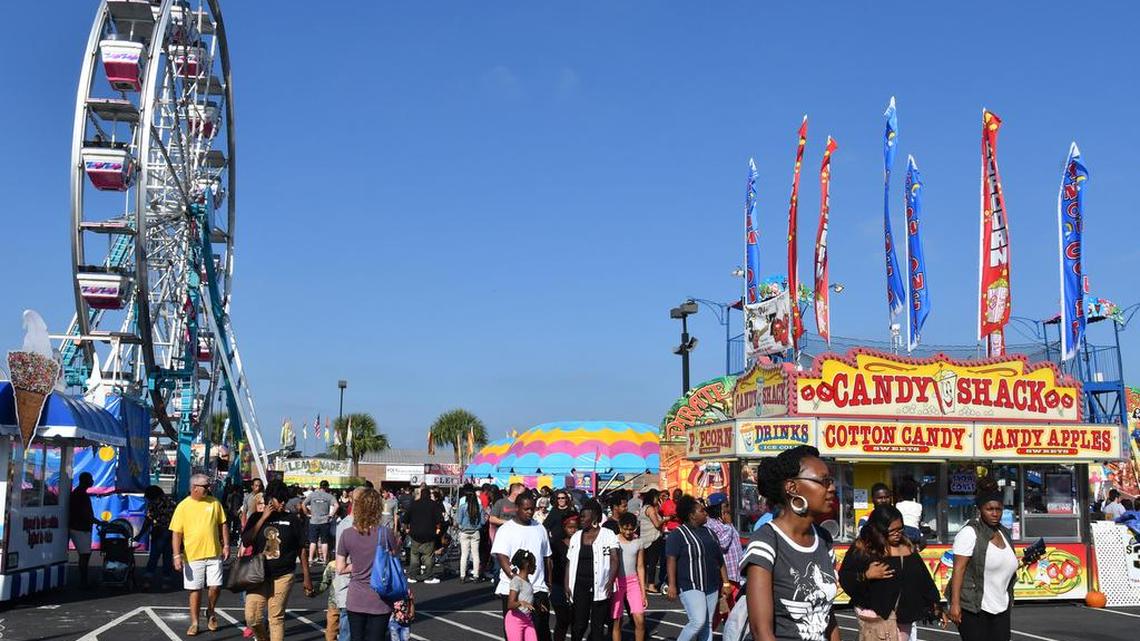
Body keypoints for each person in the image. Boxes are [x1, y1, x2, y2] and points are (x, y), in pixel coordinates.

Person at [742, 445, 839, 641]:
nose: (832, 488)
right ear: (792, 487)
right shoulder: (766, 542)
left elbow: (827, 616)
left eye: (831, 480)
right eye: (824, 481)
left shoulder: (823, 539)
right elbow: (761, 632)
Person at [839, 504, 945, 641]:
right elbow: (846, 578)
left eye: (900, 529)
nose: (898, 534)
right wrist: (866, 575)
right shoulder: (863, 549)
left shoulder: (907, 547)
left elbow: (924, 579)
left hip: (904, 618)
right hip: (877, 619)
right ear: (879, 529)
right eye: (892, 530)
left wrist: (936, 605)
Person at [948, 479, 1019, 641]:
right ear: (980, 510)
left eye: (998, 509)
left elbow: (1005, 564)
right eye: (990, 509)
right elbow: (959, 569)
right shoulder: (970, 533)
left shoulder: (1004, 532)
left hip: (1001, 605)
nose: (995, 513)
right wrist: (955, 604)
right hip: (974, 606)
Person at [243, 479, 313, 641]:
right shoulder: (256, 517)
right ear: (270, 499)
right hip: (258, 574)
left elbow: (301, 548)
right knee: (252, 617)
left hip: (283, 575)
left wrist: (307, 576)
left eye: (285, 500)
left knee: (276, 618)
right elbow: (247, 541)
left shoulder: (292, 520)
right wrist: (263, 518)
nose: (282, 503)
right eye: (279, 499)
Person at [171, 473, 231, 637]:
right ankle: (195, 622)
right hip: (192, 555)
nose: (208, 488)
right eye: (205, 486)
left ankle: (210, 610)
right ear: (195, 488)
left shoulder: (214, 503)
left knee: (216, 586)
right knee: (195, 590)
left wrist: (226, 545)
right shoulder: (183, 506)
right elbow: (177, 533)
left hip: (213, 553)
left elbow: (223, 524)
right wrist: (177, 555)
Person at [337, 487, 400, 641]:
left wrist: (357, 565)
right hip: (380, 598)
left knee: (356, 637)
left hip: (356, 597)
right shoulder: (385, 533)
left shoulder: (347, 534)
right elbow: (393, 560)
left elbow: (340, 568)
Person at [665, 495, 730, 641]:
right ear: (692, 515)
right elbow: (671, 560)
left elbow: (719, 559)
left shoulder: (709, 532)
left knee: (707, 624)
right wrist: (672, 585)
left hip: (712, 585)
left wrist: (725, 583)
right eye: (701, 511)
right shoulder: (678, 535)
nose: (705, 513)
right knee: (697, 622)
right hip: (691, 584)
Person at [492, 494, 554, 641]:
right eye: (526, 509)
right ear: (517, 508)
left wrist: (549, 583)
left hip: (538, 588)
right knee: (515, 633)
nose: (529, 512)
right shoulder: (506, 529)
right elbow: (502, 558)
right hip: (513, 590)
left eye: (532, 509)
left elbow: (547, 557)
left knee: (540, 631)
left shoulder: (540, 528)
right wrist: (518, 582)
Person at [565, 500, 619, 641]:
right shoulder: (576, 536)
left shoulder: (608, 535)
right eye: (580, 517)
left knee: (598, 626)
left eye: (584, 517)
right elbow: (569, 562)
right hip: (579, 585)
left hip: (600, 585)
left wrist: (610, 581)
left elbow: (614, 559)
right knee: (579, 625)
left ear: (594, 518)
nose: (580, 519)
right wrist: (567, 584)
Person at [705, 495, 743, 632]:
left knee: (731, 614)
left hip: (735, 574)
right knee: (719, 613)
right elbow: (723, 544)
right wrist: (728, 525)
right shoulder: (711, 524)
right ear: (718, 508)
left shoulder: (724, 523)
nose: (728, 509)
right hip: (726, 577)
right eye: (725, 506)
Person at [611, 512, 647, 641]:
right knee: (617, 620)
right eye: (625, 529)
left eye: (631, 529)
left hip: (633, 582)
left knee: (640, 620)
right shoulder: (613, 540)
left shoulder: (638, 542)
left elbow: (640, 566)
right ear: (619, 526)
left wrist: (643, 592)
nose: (628, 532)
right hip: (616, 582)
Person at [140, 484, 177, 590]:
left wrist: (140, 535)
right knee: (167, 557)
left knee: (154, 556)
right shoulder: (171, 502)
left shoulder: (154, 504)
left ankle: (148, 579)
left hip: (159, 532)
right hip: (172, 532)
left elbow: (148, 520)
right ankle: (166, 580)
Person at [405, 486, 445, 583]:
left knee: (414, 555)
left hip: (415, 533)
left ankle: (413, 576)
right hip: (429, 533)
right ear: (429, 495)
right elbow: (440, 519)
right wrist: (438, 529)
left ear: (421, 494)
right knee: (428, 556)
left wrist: (407, 528)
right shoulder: (434, 505)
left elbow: (406, 518)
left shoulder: (414, 504)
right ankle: (428, 576)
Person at [551, 513, 580, 641]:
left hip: (577, 586)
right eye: (570, 527)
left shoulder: (583, 545)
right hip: (558, 585)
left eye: (575, 527)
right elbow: (550, 564)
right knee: (562, 619)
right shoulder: (557, 544)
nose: (573, 530)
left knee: (576, 621)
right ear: (564, 527)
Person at [68, 472, 97, 587]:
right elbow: (85, 514)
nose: (92, 481)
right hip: (80, 528)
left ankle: (84, 580)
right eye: (91, 479)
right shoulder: (80, 494)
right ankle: (83, 581)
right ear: (85, 481)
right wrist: (98, 522)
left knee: (85, 555)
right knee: (85, 555)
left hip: (79, 527)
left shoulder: (78, 493)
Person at [507, 549, 541, 641]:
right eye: (534, 564)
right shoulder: (516, 581)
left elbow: (527, 597)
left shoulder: (527, 581)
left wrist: (537, 604)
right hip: (515, 620)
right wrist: (521, 603)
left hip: (527, 619)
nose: (535, 566)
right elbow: (510, 604)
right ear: (527, 565)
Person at [637, 489, 665, 594]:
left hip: (643, 538)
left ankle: (643, 584)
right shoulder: (651, 509)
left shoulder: (643, 507)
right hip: (653, 537)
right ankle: (651, 585)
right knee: (653, 562)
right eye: (657, 498)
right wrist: (665, 519)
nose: (658, 500)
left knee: (643, 563)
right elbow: (657, 524)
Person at [458, 484, 487, 582]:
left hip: (464, 532)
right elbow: (483, 522)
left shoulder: (462, 507)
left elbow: (458, 521)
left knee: (464, 554)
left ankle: (462, 576)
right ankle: (476, 575)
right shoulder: (480, 507)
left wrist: (461, 527)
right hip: (475, 532)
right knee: (475, 554)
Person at [304, 480, 338, 564]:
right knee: (324, 541)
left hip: (313, 521)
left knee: (313, 541)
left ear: (320, 486)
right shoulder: (329, 496)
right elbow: (337, 505)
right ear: (327, 487)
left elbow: (303, 504)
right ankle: (324, 559)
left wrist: (307, 514)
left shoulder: (312, 495)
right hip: (324, 521)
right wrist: (331, 515)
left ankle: (310, 559)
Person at [895, 479, 925, 546]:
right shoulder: (919, 506)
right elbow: (920, 520)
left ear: (900, 494)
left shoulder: (898, 505)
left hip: (903, 533)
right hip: (916, 533)